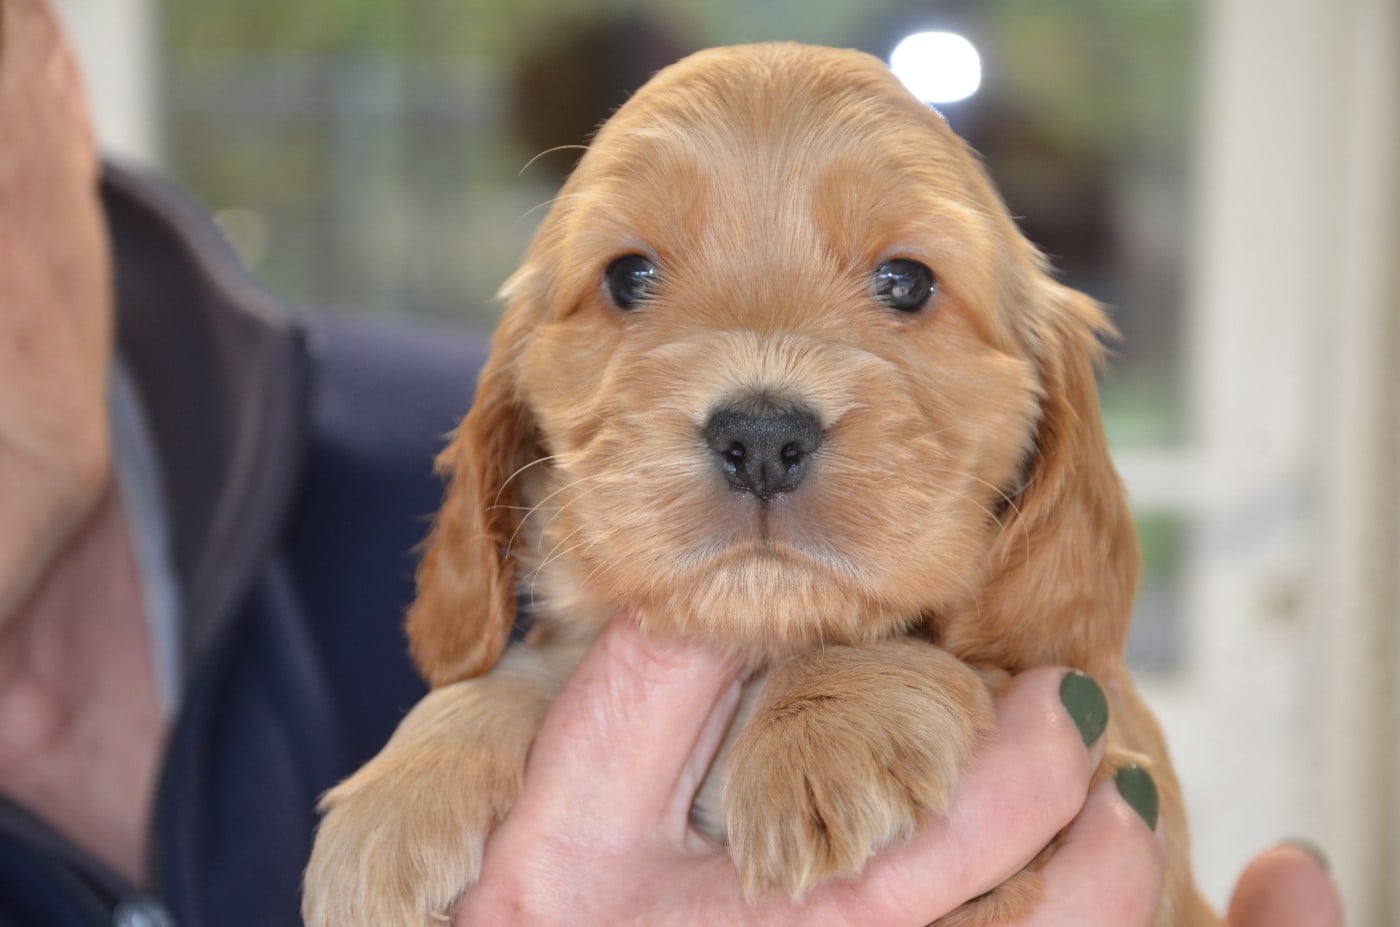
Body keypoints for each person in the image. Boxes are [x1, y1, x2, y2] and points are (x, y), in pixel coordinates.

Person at [0, 1, 1345, 925]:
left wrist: (912, 692)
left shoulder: (350, 427)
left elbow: (1077, 729)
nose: (760, 416)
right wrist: (488, 716)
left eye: (902, 283)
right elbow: (534, 658)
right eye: (635, 280)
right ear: (509, 435)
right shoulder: (511, 480)